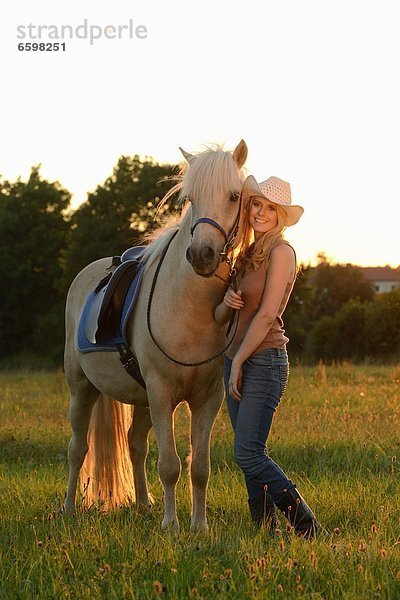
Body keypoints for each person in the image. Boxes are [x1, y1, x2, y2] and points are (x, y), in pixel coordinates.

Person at [215, 175, 326, 538]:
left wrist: (240, 362)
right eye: (257, 205)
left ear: (280, 216)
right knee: (249, 455)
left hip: (263, 360)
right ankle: (265, 531)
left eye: (270, 208)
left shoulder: (282, 252)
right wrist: (225, 304)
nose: (261, 212)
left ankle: (308, 528)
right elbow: (222, 318)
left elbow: (266, 315)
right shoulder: (245, 255)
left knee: (248, 453)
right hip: (235, 359)